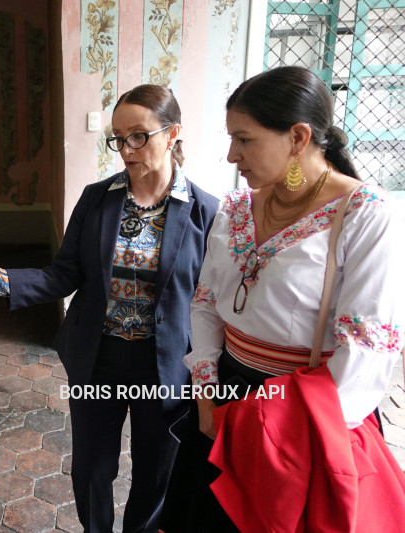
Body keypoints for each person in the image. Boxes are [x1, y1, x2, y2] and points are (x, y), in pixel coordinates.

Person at [0, 85, 218, 533]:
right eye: (118, 137)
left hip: (165, 364)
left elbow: (210, 301)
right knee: (91, 470)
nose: (126, 149)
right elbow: (63, 274)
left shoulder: (206, 211)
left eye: (138, 136)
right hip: (99, 357)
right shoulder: (97, 198)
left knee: (154, 473)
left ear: (173, 135)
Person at [161, 65, 405, 532]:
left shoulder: (365, 217)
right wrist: (209, 394)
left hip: (299, 420)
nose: (232, 155)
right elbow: (207, 301)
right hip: (223, 396)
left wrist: (262, 428)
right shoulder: (236, 209)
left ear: (298, 136)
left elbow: (366, 355)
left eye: (245, 139)